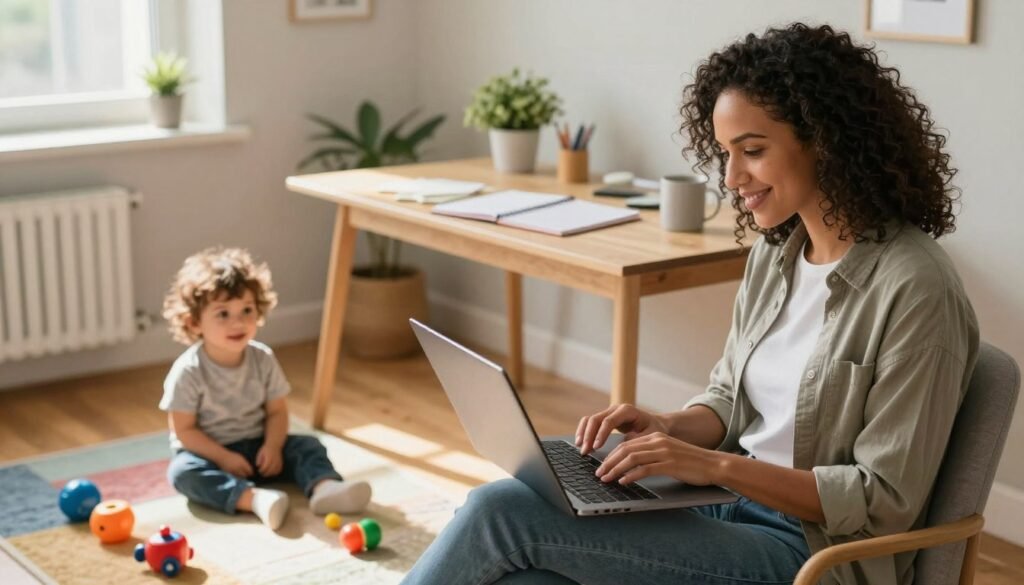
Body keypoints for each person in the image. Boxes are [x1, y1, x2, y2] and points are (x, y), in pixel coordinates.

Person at [401, 23, 978, 585]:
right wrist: (668, 426)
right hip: (722, 504)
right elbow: (731, 399)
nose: (731, 177)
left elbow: (886, 499)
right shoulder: (776, 258)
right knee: (525, 560)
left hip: (808, 553)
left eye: (751, 150)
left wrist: (709, 465)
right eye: (725, 151)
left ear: (826, 142)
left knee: (501, 514)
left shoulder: (916, 288)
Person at [160, 247, 372, 530]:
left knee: (307, 446)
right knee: (183, 473)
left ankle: (325, 490)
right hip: (211, 454)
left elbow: (277, 412)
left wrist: (273, 446)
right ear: (195, 322)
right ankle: (253, 499)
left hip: (261, 447)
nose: (238, 322)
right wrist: (223, 457)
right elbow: (184, 431)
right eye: (223, 313)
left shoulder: (262, 359)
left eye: (246, 310)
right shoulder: (189, 371)